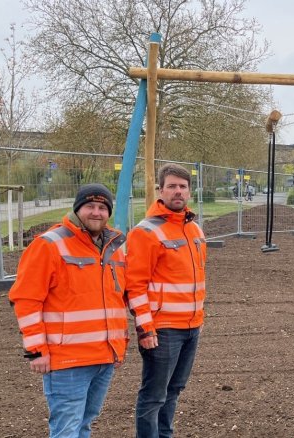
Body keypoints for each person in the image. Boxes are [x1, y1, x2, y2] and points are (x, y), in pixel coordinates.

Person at [9, 183, 155, 438]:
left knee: (84, 423)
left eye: (102, 207)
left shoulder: (114, 247)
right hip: (67, 360)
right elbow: (26, 299)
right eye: (90, 206)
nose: (96, 212)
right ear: (77, 209)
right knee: (66, 429)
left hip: (104, 357)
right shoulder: (49, 245)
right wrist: (36, 350)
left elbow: (124, 295)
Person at [126, 163, 208, 437]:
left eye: (183, 187)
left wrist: (198, 319)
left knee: (174, 390)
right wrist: (145, 328)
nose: (178, 192)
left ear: (189, 192)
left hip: (191, 326)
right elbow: (134, 285)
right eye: (171, 186)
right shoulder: (146, 232)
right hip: (162, 329)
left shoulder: (194, 230)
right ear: (160, 191)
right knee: (154, 395)